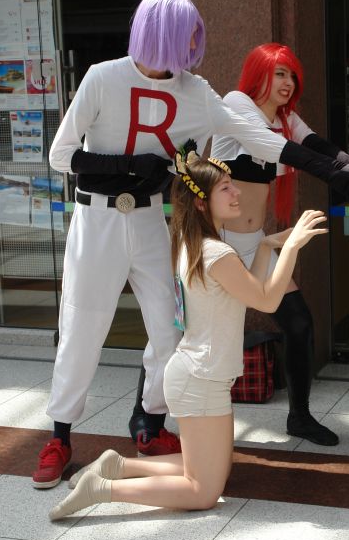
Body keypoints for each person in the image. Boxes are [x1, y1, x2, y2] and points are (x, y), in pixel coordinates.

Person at [34, 0, 349, 490]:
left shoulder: (198, 91)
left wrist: (334, 168)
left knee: (171, 330)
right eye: (187, 33)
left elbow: (262, 139)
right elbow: (62, 156)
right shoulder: (103, 77)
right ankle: (60, 436)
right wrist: (129, 166)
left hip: (151, 221)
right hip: (96, 221)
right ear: (162, 33)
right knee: (82, 328)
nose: (194, 43)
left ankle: (151, 424)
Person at [47, 152, 327, 520]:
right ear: (200, 202)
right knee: (203, 491)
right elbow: (267, 300)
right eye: (225, 189)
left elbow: (251, 290)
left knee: (212, 467)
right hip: (200, 379)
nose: (237, 194)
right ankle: (102, 490)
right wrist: (291, 248)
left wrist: (265, 246)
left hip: (199, 374)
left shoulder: (195, 243)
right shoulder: (217, 253)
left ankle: (118, 466)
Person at [211, 43, 349, 445]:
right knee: (183, 333)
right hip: (219, 244)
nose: (288, 82)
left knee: (299, 322)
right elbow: (281, 150)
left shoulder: (285, 118)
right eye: (279, 73)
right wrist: (336, 173)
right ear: (258, 73)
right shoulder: (236, 104)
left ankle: (300, 417)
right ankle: (148, 416)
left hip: (255, 244)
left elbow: (315, 145)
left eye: (292, 74)